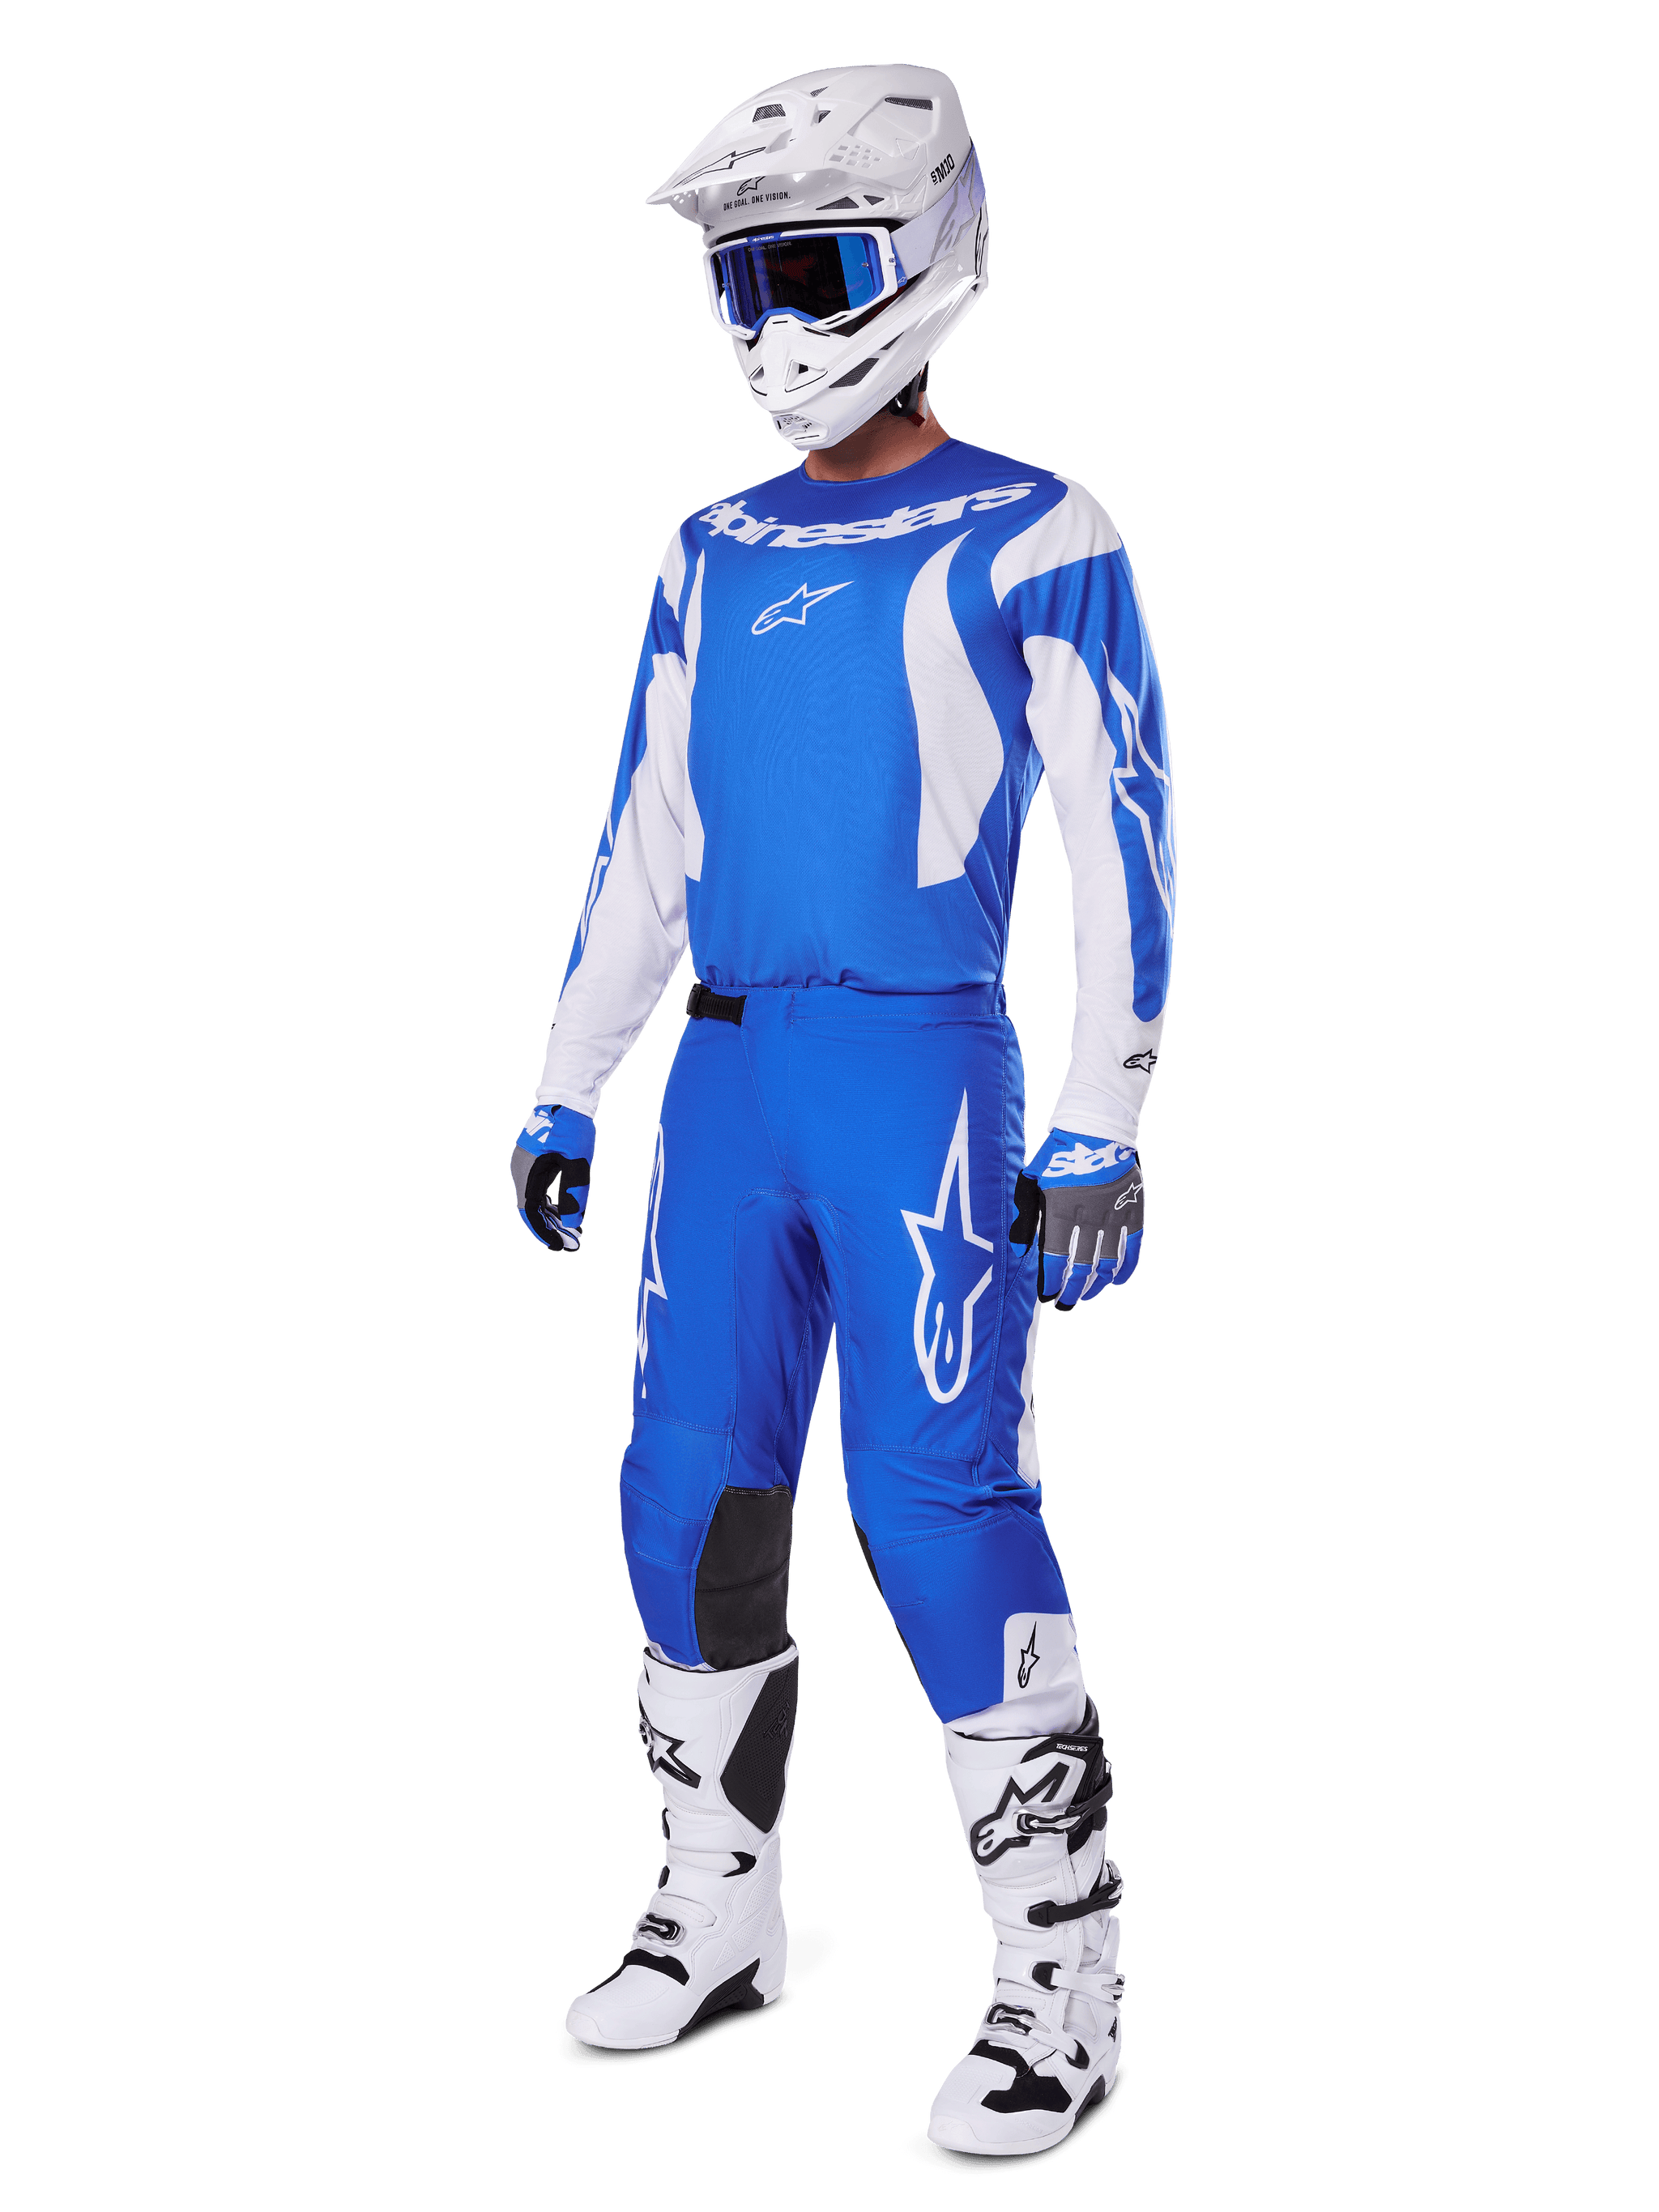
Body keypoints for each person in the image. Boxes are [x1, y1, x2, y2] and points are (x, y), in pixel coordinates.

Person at [512, 63, 1176, 2163]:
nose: (779, 323)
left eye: (816, 266)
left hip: (917, 1075)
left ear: (935, 249)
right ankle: (720, 1918)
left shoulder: (1038, 530)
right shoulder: (708, 549)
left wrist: (1102, 1115)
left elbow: (1125, 838)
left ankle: (1060, 1987)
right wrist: (567, 1077)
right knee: (680, 1498)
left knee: (939, 1507)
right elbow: (649, 839)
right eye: (743, 281)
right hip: (723, 1081)